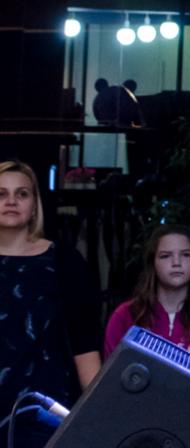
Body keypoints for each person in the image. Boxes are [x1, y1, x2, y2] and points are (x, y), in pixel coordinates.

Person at [0, 161, 101, 448]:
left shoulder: (64, 261)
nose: (11, 201)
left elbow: (85, 345)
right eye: (1, 193)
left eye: (22, 193)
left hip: (44, 412)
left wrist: (98, 415)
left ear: (35, 205)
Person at [104, 226, 190, 370]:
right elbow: (111, 377)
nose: (177, 262)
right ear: (153, 263)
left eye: (185, 254)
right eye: (165, 256)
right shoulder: (125, 316)